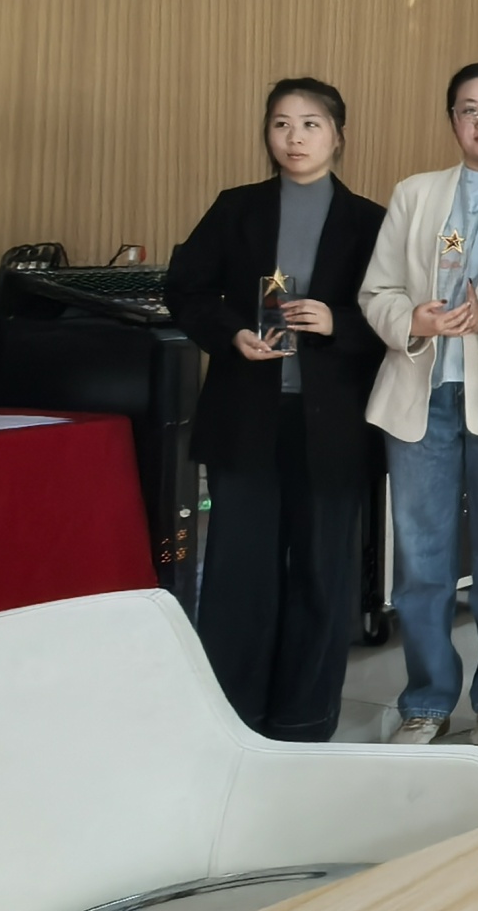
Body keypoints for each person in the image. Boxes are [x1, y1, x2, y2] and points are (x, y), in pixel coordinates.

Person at [166, 79, 387, 738]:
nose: (295, 137)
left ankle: (306, 717)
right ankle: (233, 716)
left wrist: (338, 321)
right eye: (282, 124)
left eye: (311, 124)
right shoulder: (236, 208)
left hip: (333, 425)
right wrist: (231, 332)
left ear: (339, 137)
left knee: (322, 570)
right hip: (246, 417)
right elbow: (185, 288)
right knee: (240, 570)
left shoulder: (370, 221)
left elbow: (395, 317)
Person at [360, 62, 478, 749]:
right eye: (469, 109)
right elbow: (376, 290)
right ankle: (426, 700)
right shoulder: (415, 194)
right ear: (452, 122)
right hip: (420, 393)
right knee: (422, 560)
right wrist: (412, 319)